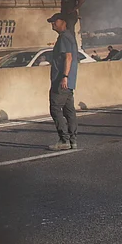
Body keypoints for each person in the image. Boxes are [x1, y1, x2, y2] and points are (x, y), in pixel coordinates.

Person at [47, 13, 79, 150]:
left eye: (55, 21)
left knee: (55, 108)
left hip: (62, 81)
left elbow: (69, 57)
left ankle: (64, 139)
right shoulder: (69, 37)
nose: (52, 24)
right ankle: (73, 140)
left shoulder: (64, 38)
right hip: (69, 82)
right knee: (69, 110)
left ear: (63, 22)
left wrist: (64, 76)